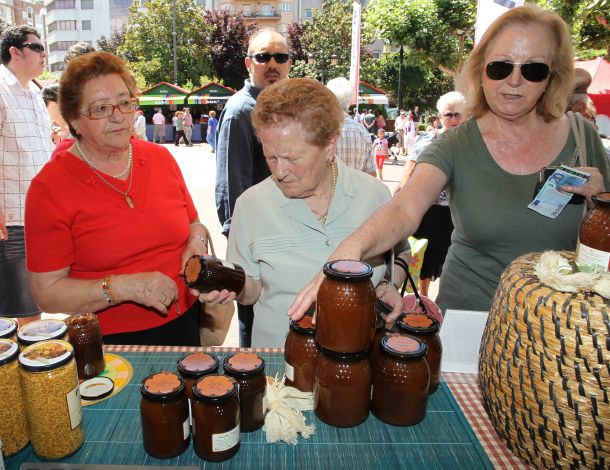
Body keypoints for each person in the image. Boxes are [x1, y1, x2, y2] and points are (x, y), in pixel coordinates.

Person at [289, 5, 610, 323]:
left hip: (558, 331)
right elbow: (404, 208)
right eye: (500, 67)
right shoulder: (455, 143)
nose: (514, 80)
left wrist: (603, 206)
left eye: (532, 69)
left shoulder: (582, 139)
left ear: (551, 77)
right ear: (481, 69)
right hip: (470, 326)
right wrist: (347, 251)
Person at [199, 78, 407, 347]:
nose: (279, 171)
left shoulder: (374, 195)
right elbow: (252, 292)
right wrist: (229, 287)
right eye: (270, 157)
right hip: (278, 357)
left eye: (292, 158)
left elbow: (397, 257)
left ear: (330, 145)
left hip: (359, 357)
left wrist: (388, 286)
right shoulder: (250, 205)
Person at [24, 51, 210, 346]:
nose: (118, 116)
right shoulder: (49, 188)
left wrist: (197, 243)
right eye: (100, 108)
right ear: (74, 119)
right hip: (109, 343)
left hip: (186, 320)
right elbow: (46, 293)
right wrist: (123, 288)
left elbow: (194, 224)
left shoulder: (161, 159)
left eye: (125, 102)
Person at [215, 28, 292, 347]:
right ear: (249, 63)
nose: (272, 63)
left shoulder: (283, 108)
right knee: (255, 330)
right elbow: (231, 192)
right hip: (257, 246)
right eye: (263, 57)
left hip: (285, 240)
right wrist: (244, 253)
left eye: (280, 57)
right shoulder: (240, 112)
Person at [0, 26, 52, 323]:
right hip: (11, 220)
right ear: (15, 51)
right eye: (37, 46)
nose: (44, 53)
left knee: (33, 308)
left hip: (38, 217)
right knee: (17, 313)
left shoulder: (34, 93)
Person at [398, 92, 467, 296]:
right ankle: (423, 298)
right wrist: (402, 195)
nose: (453, 119)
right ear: (440, 116)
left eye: (457, 114)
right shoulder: (428, 140)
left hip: (457, 210)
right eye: (449, 115)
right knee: (426, 257)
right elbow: (410, 169)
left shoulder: (471, 142)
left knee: (450, 255)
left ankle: (443, 298)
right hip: (430, 209)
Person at [326, 77, 376, 176]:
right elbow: (371, 174)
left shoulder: (318, 129)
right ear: (350, 101)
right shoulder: (362, 132)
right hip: (355, 190)